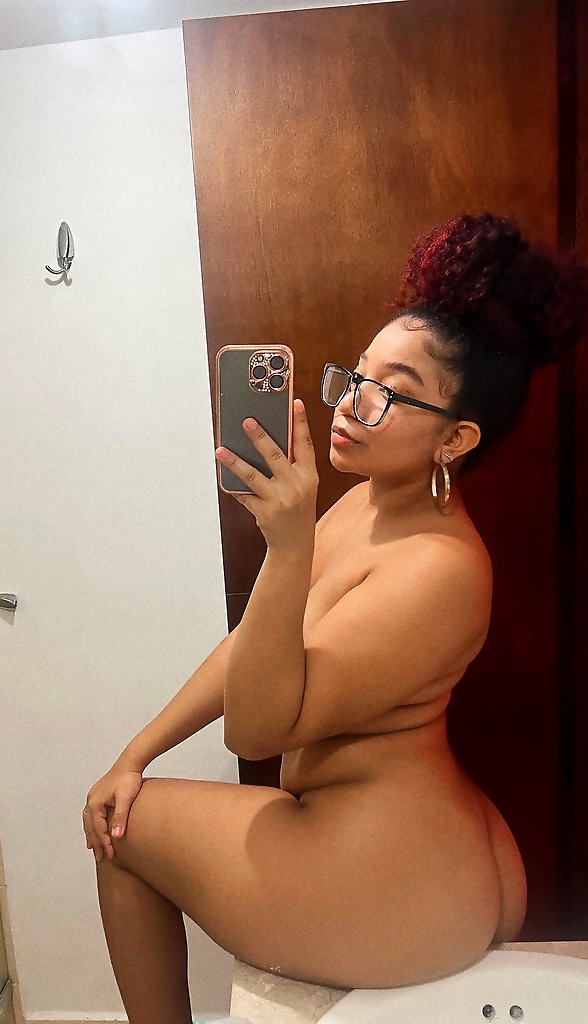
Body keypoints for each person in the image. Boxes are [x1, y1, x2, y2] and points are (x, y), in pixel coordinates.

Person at [82, 212, 588, 1023]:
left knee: (120, 836)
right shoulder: (365, 502)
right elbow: (255, 648)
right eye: (357, 375)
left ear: (456, 438)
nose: (352, 403)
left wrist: (285, 549)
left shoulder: (441, 567)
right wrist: (135, 753)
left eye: (390, 392)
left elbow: (254, 732)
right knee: (119, 801)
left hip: (401, 879)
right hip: (400, 842)